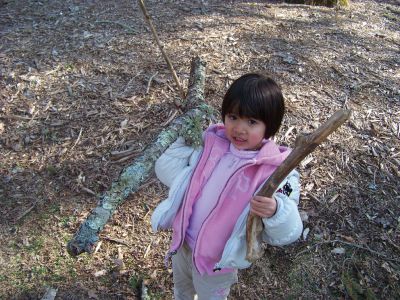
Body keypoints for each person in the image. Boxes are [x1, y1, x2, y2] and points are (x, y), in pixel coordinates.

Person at [151, 73, 303, 299]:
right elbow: (169, 172)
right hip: (182, 245)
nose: (239, 129)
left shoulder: (276, 172)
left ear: (269, 127)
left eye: (251, 122)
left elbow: (289, 231)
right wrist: (181, 138)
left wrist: (276, 211)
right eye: (233, 117)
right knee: (181, 291)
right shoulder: (212, 144)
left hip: (217, 263)